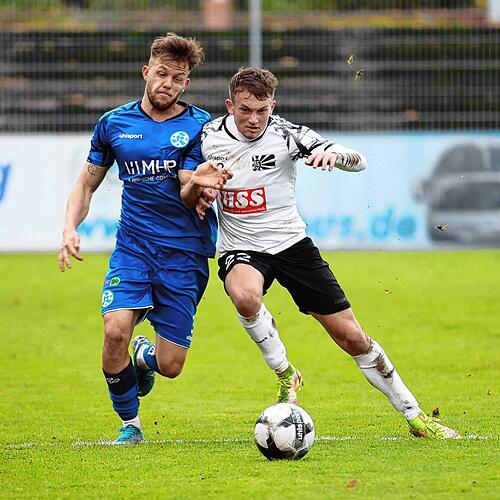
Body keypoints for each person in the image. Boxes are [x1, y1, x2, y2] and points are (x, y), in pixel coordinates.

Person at [191, 67, 460, 439]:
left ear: (273, 105)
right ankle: (285, 373)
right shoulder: (207, 137)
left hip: (292, 246)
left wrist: (333, 156)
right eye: (245, 110)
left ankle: (415, 416)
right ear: (229, 105)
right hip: (242, 247)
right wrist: (200, 189)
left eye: (262, 111)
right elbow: (187, 177)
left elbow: (358, 159)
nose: (254, 119)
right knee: (244, 296)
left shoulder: (288, 135)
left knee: (352, 338)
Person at [58, 33, 231, 445]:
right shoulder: (113, 123)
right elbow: (86, 184)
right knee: (114, 329)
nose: (168, 83)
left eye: (178, 77)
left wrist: (203, 187)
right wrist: (69, 228)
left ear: (186, 83)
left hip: (184, 255)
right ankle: (130, 425)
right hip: (133, 249)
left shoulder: (200, 126)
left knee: (171, 365)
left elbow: (189, 184)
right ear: (146, 72)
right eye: (162, 74)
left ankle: (145, 357)